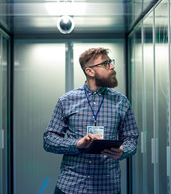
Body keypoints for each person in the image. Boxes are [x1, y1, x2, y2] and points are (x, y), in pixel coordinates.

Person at [43, 47, 139, 194]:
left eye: (111, 62)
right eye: (106, 63)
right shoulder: (66, 100)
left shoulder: (121, 101)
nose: (112, 67)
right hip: (70, 186)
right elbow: (49, 140)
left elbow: (132, 139)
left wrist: (123, 151)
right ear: (90, 71)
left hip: (107, 187)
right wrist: (76, 144)